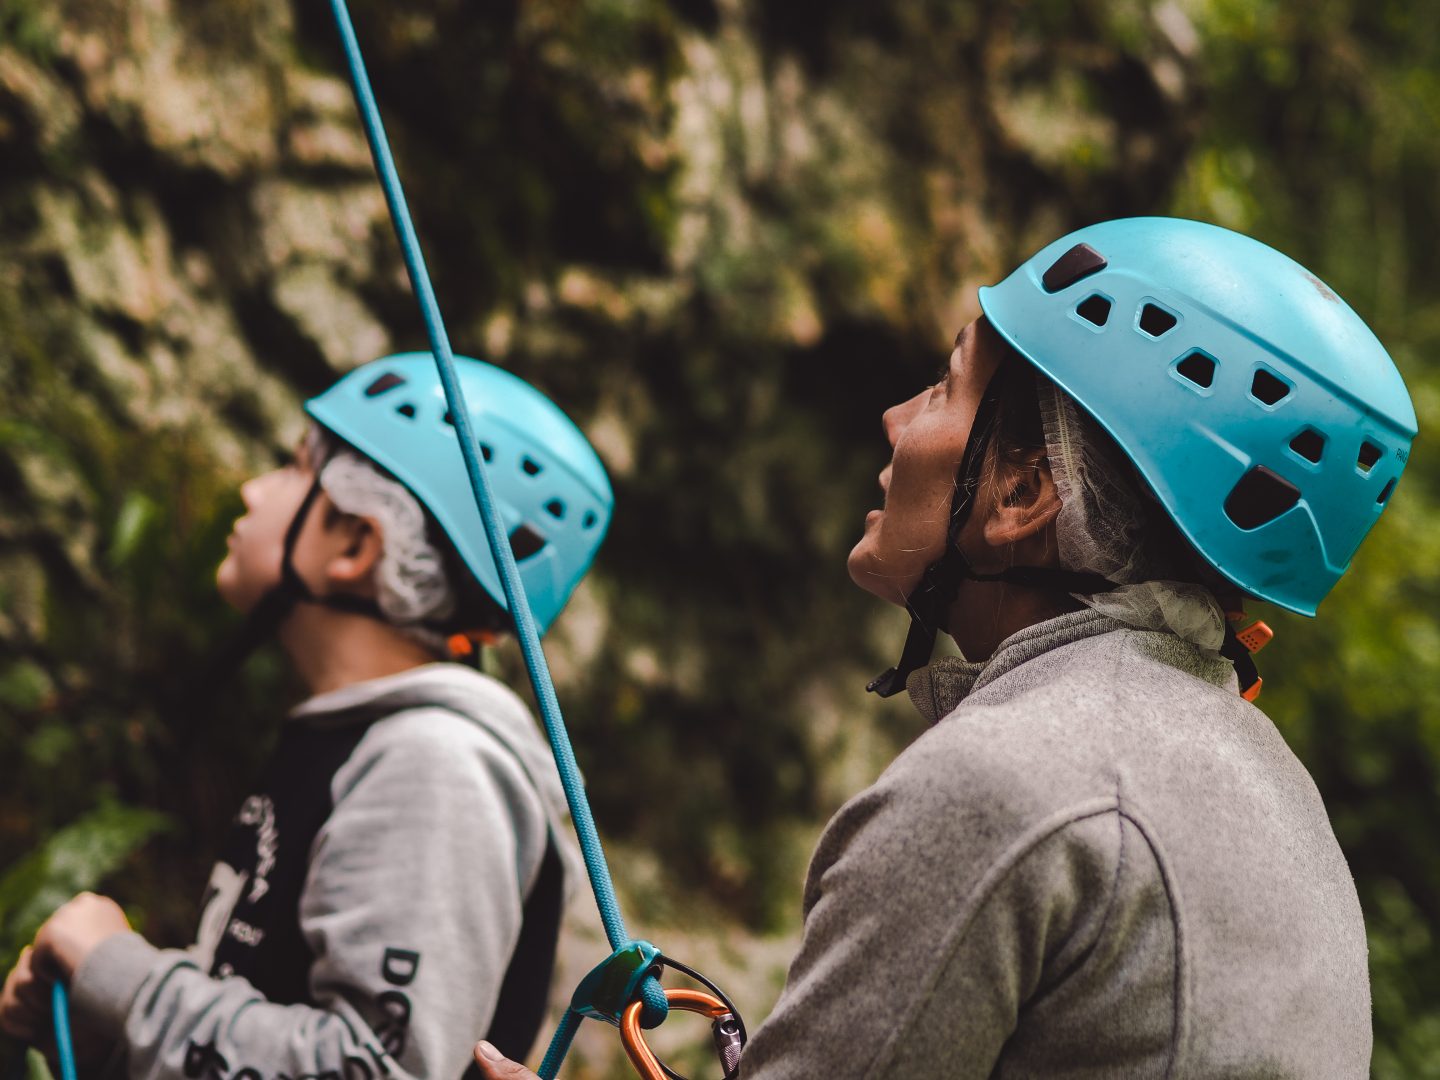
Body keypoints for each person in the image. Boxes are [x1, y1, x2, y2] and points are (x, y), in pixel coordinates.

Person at [470, 217, 1416, 1078]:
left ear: (1021, 498)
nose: (896, 420)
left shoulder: (1002, 786)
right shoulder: (1279, 794)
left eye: (944, 385)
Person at [0, 353, 615, 1080]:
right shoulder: (355, 741)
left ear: (357, 543)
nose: (254, 488)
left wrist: (122, 976)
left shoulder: (433, 766)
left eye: (294, 467)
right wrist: (106, 1024)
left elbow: (365, 1069)